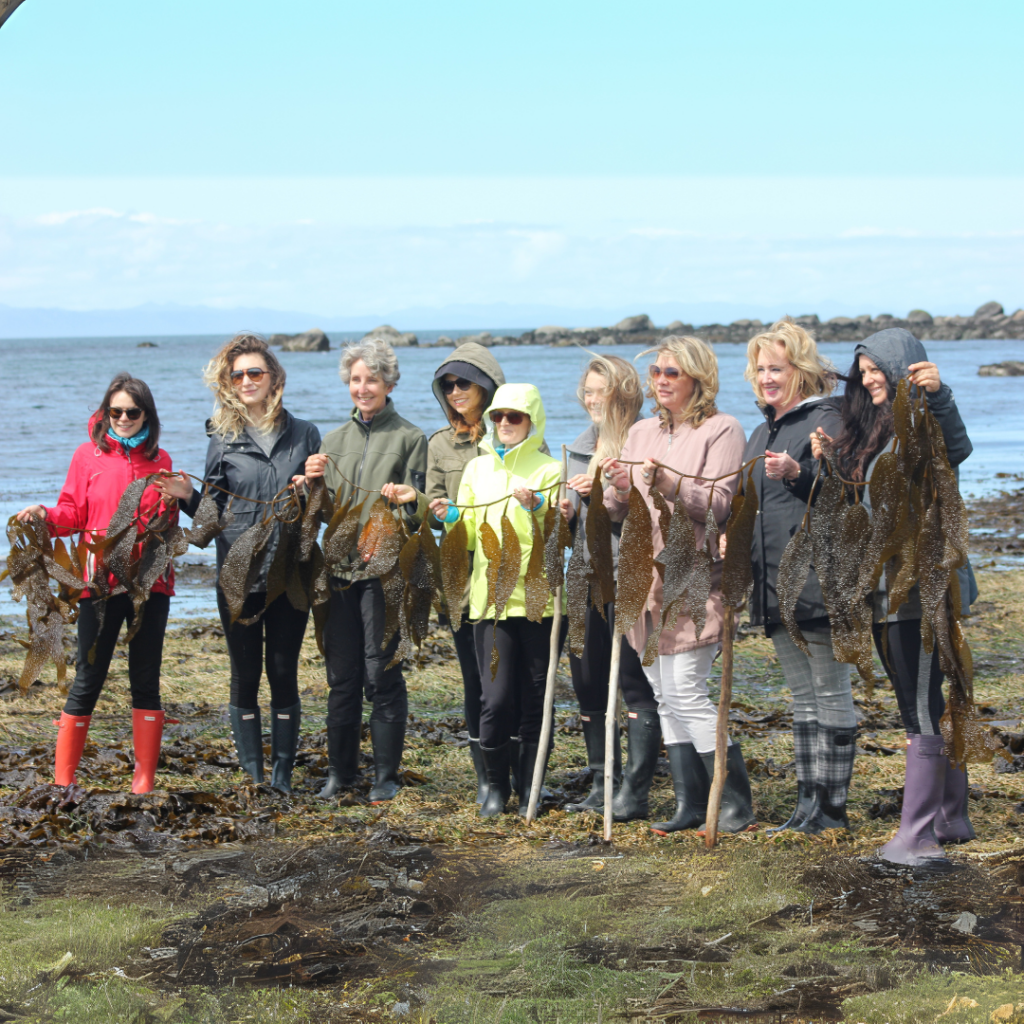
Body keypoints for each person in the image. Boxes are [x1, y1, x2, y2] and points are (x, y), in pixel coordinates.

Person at [813, 328, 975, 865]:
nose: (867, 377)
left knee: (920, 707)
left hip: (919, 587)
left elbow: (956, 452)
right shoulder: (874, 432)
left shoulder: (923, 417)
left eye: (876, 367)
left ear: (903, 365)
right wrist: (829, 462)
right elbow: (863, 506)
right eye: (862, 370)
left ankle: (919, 835)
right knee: (921, 701)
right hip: (881, 587)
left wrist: (939, 396)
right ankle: (951, 817)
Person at [604, 335, 757, 835]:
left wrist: (671, 485)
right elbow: (618, 510)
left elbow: (717, 506)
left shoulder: (723, 428)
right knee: (662, 693)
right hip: (643, 580)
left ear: (698, 378)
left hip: (695, 577)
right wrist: (618, 490)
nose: (662, 380)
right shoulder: (641, 431)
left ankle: (732, 803)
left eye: (672, 372)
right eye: (656, 373)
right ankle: (691, 804)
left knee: (688, 689)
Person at [158, 334, 320, 793]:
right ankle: (254, 777)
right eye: (238, 375)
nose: (247, 381)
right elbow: (212, 514)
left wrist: (310, 490)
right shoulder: (223, 438)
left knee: (284, 671)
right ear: (229, 383)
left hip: (290, 575)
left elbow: (316, 511)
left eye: (255, 373)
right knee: (245, 674)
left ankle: (283, 776)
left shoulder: (305, 433)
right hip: (238, 575)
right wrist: (187, 496)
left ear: (274, 379)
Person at [18, 373, 176, 794]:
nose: (123, 418)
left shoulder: (162, 463)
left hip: (150, 588)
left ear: (147, 414)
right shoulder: (87, 457)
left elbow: (170, 528)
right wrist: (44, 517)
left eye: (132, 411)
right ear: (105, 413)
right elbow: (71, 512)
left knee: (146, 678)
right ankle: (63, 779)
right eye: (116, 411)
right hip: (98, 586)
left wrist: (177, 500)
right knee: (89, 676)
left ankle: (143, 780)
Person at [739, 320, 855, 834]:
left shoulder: (827, 420)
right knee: (802, 697)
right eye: (761, 369)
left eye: (776, 368)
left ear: (801, 370)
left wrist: (798, 473)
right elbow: (750, 507)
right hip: (772, 584)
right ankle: (807, 805)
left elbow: (848, 497)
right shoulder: (762, 431)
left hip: (819, 578)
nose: (766, 377)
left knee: (830, 692)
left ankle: (831, 809)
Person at [304, 337, 427, 803]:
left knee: (382, 675)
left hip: (385, 574)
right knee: (342, 677)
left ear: (389, 382)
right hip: (338, 572)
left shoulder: (411, 438)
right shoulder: (331, 442)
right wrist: (308, 484)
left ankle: (386, 776)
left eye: (372, 379)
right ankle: (340, 773)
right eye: (356, 379)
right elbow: (317, 515)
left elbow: (420, 517)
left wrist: (409, 503)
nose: (363, 387)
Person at [434, 383, 562, 817]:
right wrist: (451, 516)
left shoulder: (549, 469)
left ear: (532, 421)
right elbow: (469, 534)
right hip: (489, 604)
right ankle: (494, 788)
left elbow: (556, 532)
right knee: (495, 699)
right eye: (498, 417)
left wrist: (538, 504)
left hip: (538, 602)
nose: (505, 424)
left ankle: (530, 788)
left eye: (515, 417)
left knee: (535, 698)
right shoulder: (477, 470)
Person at [558, 354, 661, 818]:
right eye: (588, 391)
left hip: (630, 576)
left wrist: (603, 495)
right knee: (587, 681)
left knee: (635, 683)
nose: (592, 399)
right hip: (584, 577)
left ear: (624, 394)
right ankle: (603, 781)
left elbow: (648, 513)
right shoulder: (577, 448)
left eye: (601, 391)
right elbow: (569, 529)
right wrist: (564, 514)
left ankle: (634, 792)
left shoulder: (643, 443)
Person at [424, 343, 506, 804]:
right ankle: (485, 777)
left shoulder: (511, 432)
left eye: (464, 383)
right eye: (448, 385)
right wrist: (438, 512)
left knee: (509, 677)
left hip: (510, 569)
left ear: (488, 386)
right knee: (474, 678)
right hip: (459, 571)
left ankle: (513, 766)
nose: (455, 392)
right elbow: (433, 508)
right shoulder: (439, 443)